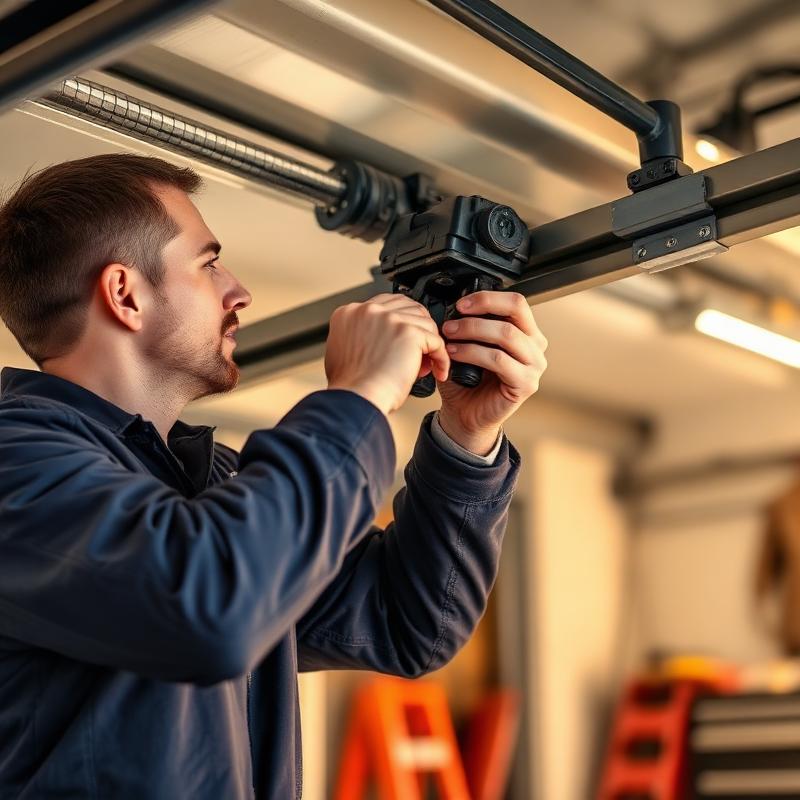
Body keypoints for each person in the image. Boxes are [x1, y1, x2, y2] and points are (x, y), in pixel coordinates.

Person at [0, 154, 548, 799]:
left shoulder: (208, 485)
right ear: (126, 294)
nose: (239, 291)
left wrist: (467, 438)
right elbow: (209, 607)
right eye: (208, 264)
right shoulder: (15, 462)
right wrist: (361, 394)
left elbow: (406, 624)